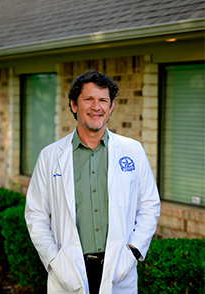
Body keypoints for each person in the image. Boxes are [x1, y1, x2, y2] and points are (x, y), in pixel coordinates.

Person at [25, 70, 160, 294]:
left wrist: (133, 251)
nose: (96, 107)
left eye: (103, 100)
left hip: (118, 267)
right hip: (69, 268)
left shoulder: (132, 150)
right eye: (88, 99)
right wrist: (54, 261)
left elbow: (149, 205)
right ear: (74, 105)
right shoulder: (50, 156)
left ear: (111, 106)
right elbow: (35, 214)